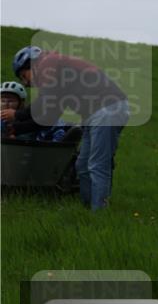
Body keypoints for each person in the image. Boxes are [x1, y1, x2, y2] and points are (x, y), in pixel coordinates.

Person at [1, 46, 129, 209]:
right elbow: (48, 118)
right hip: (93, 114)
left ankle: (100, 212)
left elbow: (44, 102)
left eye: (23, 76)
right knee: (82, 166)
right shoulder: (59, 77)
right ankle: (87, 209)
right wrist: (17, 130)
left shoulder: (49, 62)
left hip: (107, 109)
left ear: (30, 64)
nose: (25, 83)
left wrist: (17, 115)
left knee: (97, 164)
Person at [1, 80, 70, 142]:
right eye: (2, 101)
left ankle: (66, 134)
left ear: (21, 103)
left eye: (11, 101)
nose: (6, 103)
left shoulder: (26, 115)